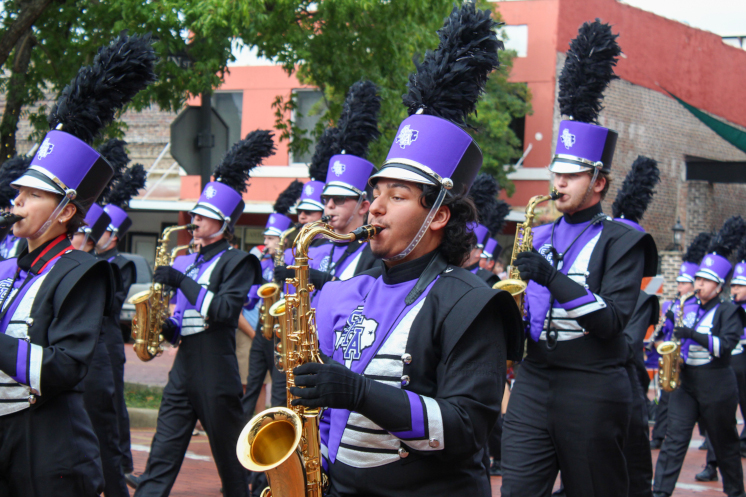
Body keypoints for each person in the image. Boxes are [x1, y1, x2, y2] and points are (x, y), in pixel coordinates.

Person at [287, 4, 522, 496]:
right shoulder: (346, 291)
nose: (375, 208)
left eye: (396, 197)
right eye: (375, 194)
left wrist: (358, 393)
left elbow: (466, 430)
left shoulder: (471, 302)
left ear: (438, 215)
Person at [500, 20, 657, 497]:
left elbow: (611, 321)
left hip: (592, 384)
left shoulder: (622, 241)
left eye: (571, 175)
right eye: (556, 173)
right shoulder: (539, 230)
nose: (558, 183)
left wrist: (550, 276)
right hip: (532, 380)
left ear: (599, 181)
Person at [0, 32, 154, 497]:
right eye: (17, 193)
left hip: (48, 449)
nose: (17, 201)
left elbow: (63, 370)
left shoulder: (83, 272)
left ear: (66, 210)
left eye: (32, 195)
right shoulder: (8, 266)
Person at [129, 132, 265, 497]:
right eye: (195, 213)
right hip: (185, 365)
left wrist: (178, 280)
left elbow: (221, 311)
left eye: (204, 215)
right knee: (162, 453)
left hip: (216, 370)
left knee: (231, 463)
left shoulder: (239, 262)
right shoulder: (188, 259)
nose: (195, 219)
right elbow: (187, 322)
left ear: (223, 222)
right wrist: (164, 327)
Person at [652, 216, 746, 497]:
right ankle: (660, 492)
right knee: (674, 441)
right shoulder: (687, 305)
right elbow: (677, 336)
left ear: (719, 287)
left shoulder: (730, 311)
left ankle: (735, 492)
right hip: (686, 383)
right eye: (699, 279)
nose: (700, 285)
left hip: (717, 383)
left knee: (725, 444)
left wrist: (692, 335)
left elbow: (724, 348)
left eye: (707, 281)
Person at [612, 155, 662, 497]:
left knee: (635, 467)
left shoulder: (645, 298)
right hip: (592, 380)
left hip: (625, 386)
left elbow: (628, 344)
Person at [97, 150, 146, 485]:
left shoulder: (121, 265)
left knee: (114, 400)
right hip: (92, 338)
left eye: (99, 232)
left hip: (110, 339)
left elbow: (111, 303)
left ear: (113, 236)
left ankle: (123, 462)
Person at [650, 232, 712, 450]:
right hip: (672, 359)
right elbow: (660, 335)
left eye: (684, 283)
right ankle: (657, 437)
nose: (679, 287)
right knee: (665, 401)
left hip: (694, 360)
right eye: (678, 282)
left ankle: (709, 437)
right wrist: (660, 348)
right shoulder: (670, 306)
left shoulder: (701, 307)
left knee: (704, 404)